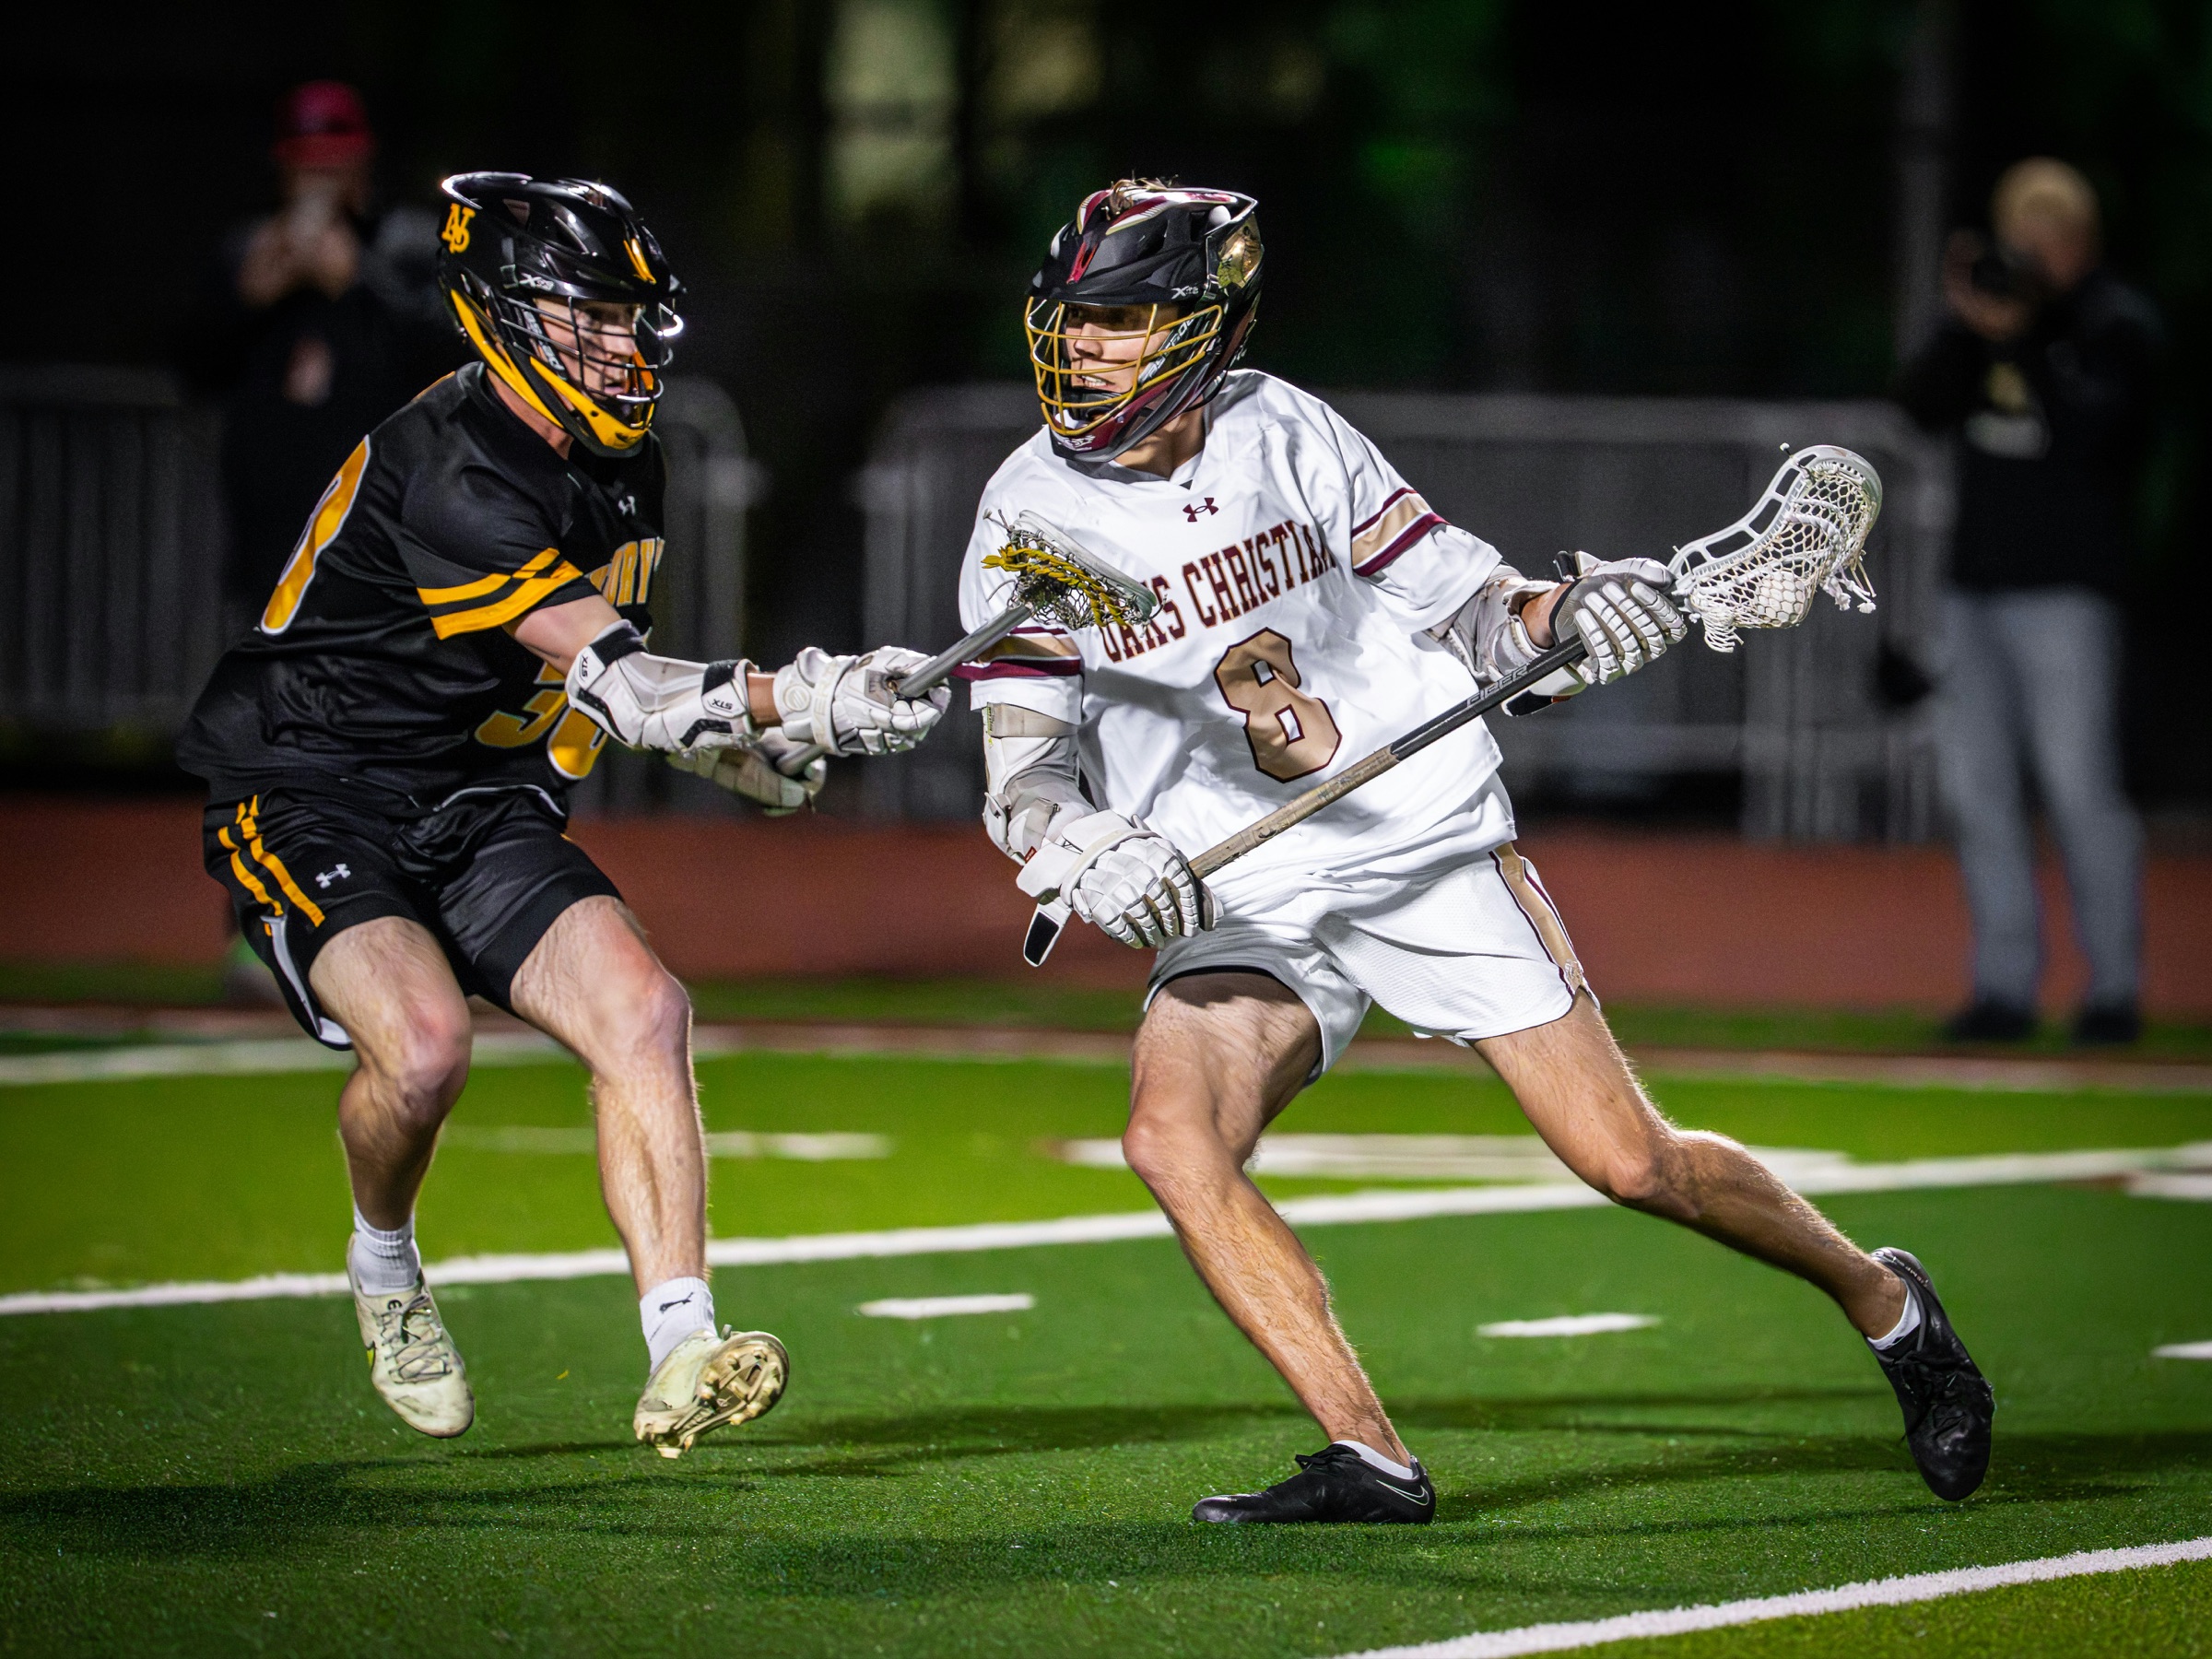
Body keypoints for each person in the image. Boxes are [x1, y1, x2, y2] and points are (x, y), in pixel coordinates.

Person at [957, 180, 1994, 1523]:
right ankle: (1371, 1455)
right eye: (1073, 320)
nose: (1084, 347)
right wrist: (1081, 845)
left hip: (1421, 841)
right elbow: (1025, 779)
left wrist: (1575, 620)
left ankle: (1889, 1305)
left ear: (1208, 326)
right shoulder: (1023, 511)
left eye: (1124, 320)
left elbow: (1477, 609)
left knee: (1635, 1165)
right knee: (1170, 1140)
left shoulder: (1288, 432)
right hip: (1235, 888)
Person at [176, 172, 947, 1453]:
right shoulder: (454, 471)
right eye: (588, 312)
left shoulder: (610, 455)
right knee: (422, 1051)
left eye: (629, 314)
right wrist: (804, 699)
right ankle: (383, 1264)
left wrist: (734, 757)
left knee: (644, 1009)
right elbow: (635, 687)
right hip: (319, 787)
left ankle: (681, 1344)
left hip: (476, 793)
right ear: (502, 312)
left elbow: (581, 684)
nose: (621, 342)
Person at [1897, 159, 2162, 1045]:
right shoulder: (1983, 323)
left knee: (2080, 787)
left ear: (2077, 243)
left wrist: (2023, 340)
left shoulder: (2114, 325)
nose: (2027, 260)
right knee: (1979, 792)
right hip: (1975, 588)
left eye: (2042, 242)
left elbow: (2100, 437)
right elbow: (1917, 406)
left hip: (2069, 594)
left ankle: (2114, 989)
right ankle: (2005, 986)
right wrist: (1971, 326)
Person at [181, 81, 460, 627]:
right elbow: (195, 368)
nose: (318, 186)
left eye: (333, 169)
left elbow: (448, 357)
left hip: (387, 534)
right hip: (273, 535)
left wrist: (360, 281)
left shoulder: (406, 245)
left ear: (362, 164)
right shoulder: (254, 250)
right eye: (306, 168)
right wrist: (245, 300)